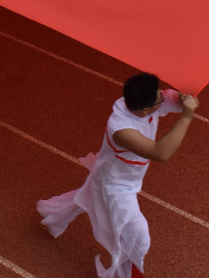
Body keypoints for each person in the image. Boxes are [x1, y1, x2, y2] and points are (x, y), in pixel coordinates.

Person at [37, 73, 198, 278]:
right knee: (138, 237)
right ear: (146, 110)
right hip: (114, 187)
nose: (163, 98)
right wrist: (186, 117)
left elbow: (174, 100)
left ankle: (53, 219)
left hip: (113, 174)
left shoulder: (142, 101)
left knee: (87, 197)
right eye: (159, 99)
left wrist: (185, 98)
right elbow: (160, 153)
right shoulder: (121, 128)